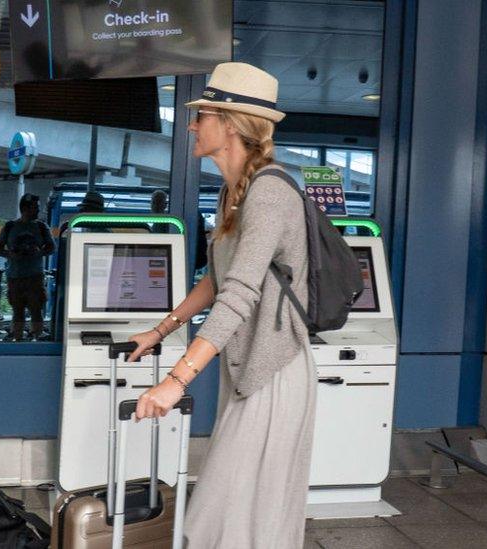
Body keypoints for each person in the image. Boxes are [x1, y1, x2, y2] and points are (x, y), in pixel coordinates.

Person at [126, 63, 316, 547]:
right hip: (244, 367)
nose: (191, 124)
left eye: (201, 115)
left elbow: (241, 294)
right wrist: (161, 331)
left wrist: (176, 381)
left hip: (275, 371)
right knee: (230, 516)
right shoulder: (233, 191)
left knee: (236, 516)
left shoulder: (270, 193)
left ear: (229, 123)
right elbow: (216, 280)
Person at [0, 193, 55, 340]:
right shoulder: (10, 226)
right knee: (17, 310)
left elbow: (52, 247)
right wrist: (11, 255)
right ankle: (17, 338)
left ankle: (38, 337)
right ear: (25, 208)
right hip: (15, 276)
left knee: (36, 309)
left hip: (35, 276)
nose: (38, 211)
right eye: (36, 208)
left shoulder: (41, 227)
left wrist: (39, 252)